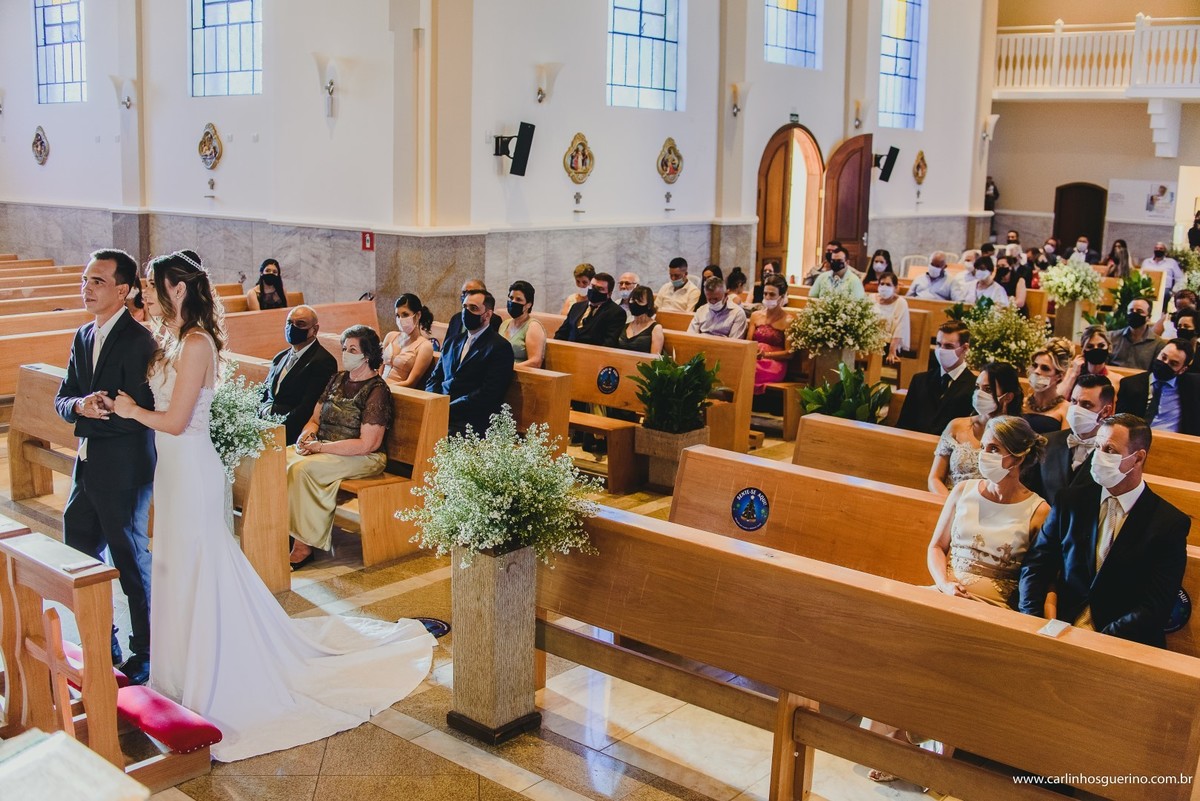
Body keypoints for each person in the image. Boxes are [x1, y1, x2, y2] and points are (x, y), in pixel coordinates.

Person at [109, 251, 433, 762]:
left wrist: (130, 410)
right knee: (175, 566)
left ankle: (211, 673)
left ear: (177, 289)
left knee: (199, 564)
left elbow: (175, 421)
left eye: (152, 284)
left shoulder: (197, 343)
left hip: (190, 467)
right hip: (170, 470)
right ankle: (177, 672)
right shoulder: (171, 338)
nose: (143, 291)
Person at [864, 416, 1049, 783]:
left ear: (1017, 457)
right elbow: (936, 547)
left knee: (951, 649)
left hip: (992, 608)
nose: (983, 454)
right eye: (984, 446)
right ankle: (891, 739)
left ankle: (930, 756)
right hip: (946, 590)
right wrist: (945, 584)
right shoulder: (963, 491)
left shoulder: (1039, 510)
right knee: (899, 629)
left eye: (993, 448)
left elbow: (1037, 576)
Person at [55, 248, 157, 684]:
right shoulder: (83, 335)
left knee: (130, 561)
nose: (87, 288)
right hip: (88, 465)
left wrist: (94, 417)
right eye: (85, 279)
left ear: (123, 290)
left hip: (125, 469)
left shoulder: (140, 341)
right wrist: (80, 405)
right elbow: (63, 397)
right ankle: (103, 639)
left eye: (97, 281)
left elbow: (145, 412)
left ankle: (147, 651)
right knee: (78, 550)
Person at [1019, 414, 1190, 648]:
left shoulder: (1168, 523)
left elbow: (1156, 605)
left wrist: (1098, 642)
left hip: (1124, 642)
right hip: (1059, 629)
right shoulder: (1070, 501)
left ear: (1138, 458)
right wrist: (1032, 620)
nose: (1099, 455)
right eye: (1098, 447)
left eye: (1109, 449)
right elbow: (1036, 565)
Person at [285, 325, 393, 569]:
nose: (345, 354)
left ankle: (303, 546)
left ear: (367, 355)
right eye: (344, 348)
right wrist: (306, 437)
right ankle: (283, 532)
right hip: (325, 446)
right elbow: (315, 419)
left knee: (303, 470)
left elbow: (368, 443)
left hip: (364, 456)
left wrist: (320, 448)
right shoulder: (337, 379)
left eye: (352, 350)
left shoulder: (377, 390)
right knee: (280, 460)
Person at [427, 289, 515, 436]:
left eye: (473, 308)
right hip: (440, 411)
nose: (466, 312)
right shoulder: (452, 342)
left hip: (470, 420)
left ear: (487, 315)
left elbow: (489, 393)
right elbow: (435, 378)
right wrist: (434, 402)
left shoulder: (500, 347)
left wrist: (447, 408)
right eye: (464, 307)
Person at [928, 362, 1022, 496]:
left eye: (988, 389)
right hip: (948, 499)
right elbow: (935, 478)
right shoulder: (956, 426)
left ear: (1008, 397)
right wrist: (951, 503)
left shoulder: (1015, 435)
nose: (979, 394)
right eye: (977, 387)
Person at [1027, 374, 1113, 504]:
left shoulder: (1112, 453)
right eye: (1073, 401)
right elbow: (1031, 490)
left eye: (1086, 405)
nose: (1076, 409)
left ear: (1105, 411)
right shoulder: (1047, 442)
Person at [260, 305, 338, 445]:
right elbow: (264, 392)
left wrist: (277, 427)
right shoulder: (280, 357)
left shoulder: (323, 361)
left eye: (300, 324)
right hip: (265, 423)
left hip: (292, 431)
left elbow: (307, 407)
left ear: (315, 329)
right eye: (289, 323)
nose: (292, 328)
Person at [895, 321, 976, 436]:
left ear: (964, 348)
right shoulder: (920, 380)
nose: (941, 350)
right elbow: (904, 424)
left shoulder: (974, 386)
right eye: (938, 344)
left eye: (948, 346)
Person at [1115, 339, 1200, 434]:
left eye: (1173, 363)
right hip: (1137, 438)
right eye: (1163, 357)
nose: (1165, 363)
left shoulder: (1194, 385)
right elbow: (1119, 422)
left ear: (1182, 370)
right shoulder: (1130, 384)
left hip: (1175, 439)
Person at [379, 294, 435, 388]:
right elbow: (378, 370)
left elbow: (411, 382)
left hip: (399, 391)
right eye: (397, 316)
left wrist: (385, 388)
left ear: (418, 315)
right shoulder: (390, 336)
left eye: (405, 315)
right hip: (378, 387)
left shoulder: (425, 346)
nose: (400, 319)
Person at [555, 272, 625, 347]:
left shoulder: (616, 313)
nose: (594, 290)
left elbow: (609, 343)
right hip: (568, 350)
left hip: (593, 352)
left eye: (600, 289)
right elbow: (561, 333)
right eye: (592, 286)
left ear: (609, 294)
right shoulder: (576, 307)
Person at [749, 274, 791, 394]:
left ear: (781, 296)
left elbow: (789, 353)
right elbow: (748, 342)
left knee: (750, 371)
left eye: (772, 294)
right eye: (765, 293)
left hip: (774, 363)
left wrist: (766, 355)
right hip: (754, 359)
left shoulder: (788, 320)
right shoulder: (755, 316)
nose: (767, 297)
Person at [1060, 325, 1122, 400]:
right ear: (1083, 350)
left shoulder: (1117, 380)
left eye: (1101, 346)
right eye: (1090, 346)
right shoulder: (1071, 374)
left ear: (1108, 348)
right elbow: (1058, 401)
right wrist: (1074, 374)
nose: (1096, 349)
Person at [1022, 341, 1071, 434]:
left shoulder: (1066, 409)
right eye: (1035, 365)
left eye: (1045, 368)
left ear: (1059, 376)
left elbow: (1064, 442)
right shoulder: (1020, 403)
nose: (1036, 371)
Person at [500, 280, 547, 368]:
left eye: (518, 299)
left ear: (528, 305)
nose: (513, 302)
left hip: (518, 373)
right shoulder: (504, 324)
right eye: (511, 298)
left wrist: (508, 368)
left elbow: (535, 362)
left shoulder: (533, 326)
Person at [1108, 298, 1163, 370]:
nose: (1134, 314)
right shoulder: (1111, 337)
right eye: (1131, 310)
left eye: (1139, 311)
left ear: (1148, 317)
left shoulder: (1158, 344)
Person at [444, 278, 501, 342]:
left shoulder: (494, 320)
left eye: (470, 292)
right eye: (463, 293)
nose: (466, 296)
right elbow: (447, 343)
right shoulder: (456, 318)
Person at [871, 271, 909, 365]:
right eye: (882, 284)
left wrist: (892, 351)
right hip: (871, 342)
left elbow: (900, 328)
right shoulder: (871, 298)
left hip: (888, 345)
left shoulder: (900, 303)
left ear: (895, 287)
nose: (884, 287)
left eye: (888, 284)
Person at [617, 286, 663, 355]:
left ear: (649, 304)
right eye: (632, 300)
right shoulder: (626, 325)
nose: (634, 303)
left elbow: (655, 357)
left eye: (639, 301)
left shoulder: (656, 328)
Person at [1141, 242, 1185, 312]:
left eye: (1161, 248)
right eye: (1156, 248)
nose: (1158, 250)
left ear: (1165, 251)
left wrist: (1174, 291)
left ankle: (1162, 313)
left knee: (1165, 295)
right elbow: (1141, 276)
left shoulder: (1171, 262)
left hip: (1165, 290)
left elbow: (1180, 278)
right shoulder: (1146, 262)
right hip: (1148, 289)